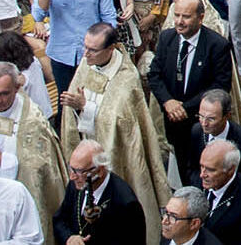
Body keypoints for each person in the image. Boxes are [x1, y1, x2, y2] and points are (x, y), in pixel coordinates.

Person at [58, 23, 173, 236]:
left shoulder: (126, 77)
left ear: (111, 49)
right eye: (85, 47)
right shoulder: (86, 64)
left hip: (118, 159)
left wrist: (85, 107)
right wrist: (76, 109)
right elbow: (76, 107)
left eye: (92, 50)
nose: (86, 54)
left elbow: (118, 120)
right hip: (88, 154)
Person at [0, 62, 68, 237]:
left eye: (3, 94)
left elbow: (39, 167)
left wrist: (4, 160)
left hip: (22, 194)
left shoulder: (33, 119)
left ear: (17, 88)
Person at [149, 0, 235, 187]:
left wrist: (183, 108)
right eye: (176, 15)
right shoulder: (167, 38)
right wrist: (168, 102)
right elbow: (154, 74)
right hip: (174, 124)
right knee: (184, 171)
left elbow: (219, 86)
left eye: (186, 16)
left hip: (201, 124)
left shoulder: (217, 45)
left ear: (200, 17)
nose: (179, 21)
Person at [54, 139, 149, 245]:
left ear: (99, 171)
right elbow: (59, 220)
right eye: (71, 169)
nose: (72, 177)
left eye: (79, 171)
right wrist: (69, 238)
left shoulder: (126, 203)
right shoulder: (76, 185)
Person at [190, 90, 241, 197]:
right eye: (201, 116)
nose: (204, 123)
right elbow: (192, 168)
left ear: (227, 116)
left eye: (211, 119)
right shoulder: (197, 131)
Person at [196, 139, 241, 245]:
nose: (202, 174)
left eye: (211, 170)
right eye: (202, 166)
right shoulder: (201, 178)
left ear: (230, 170)